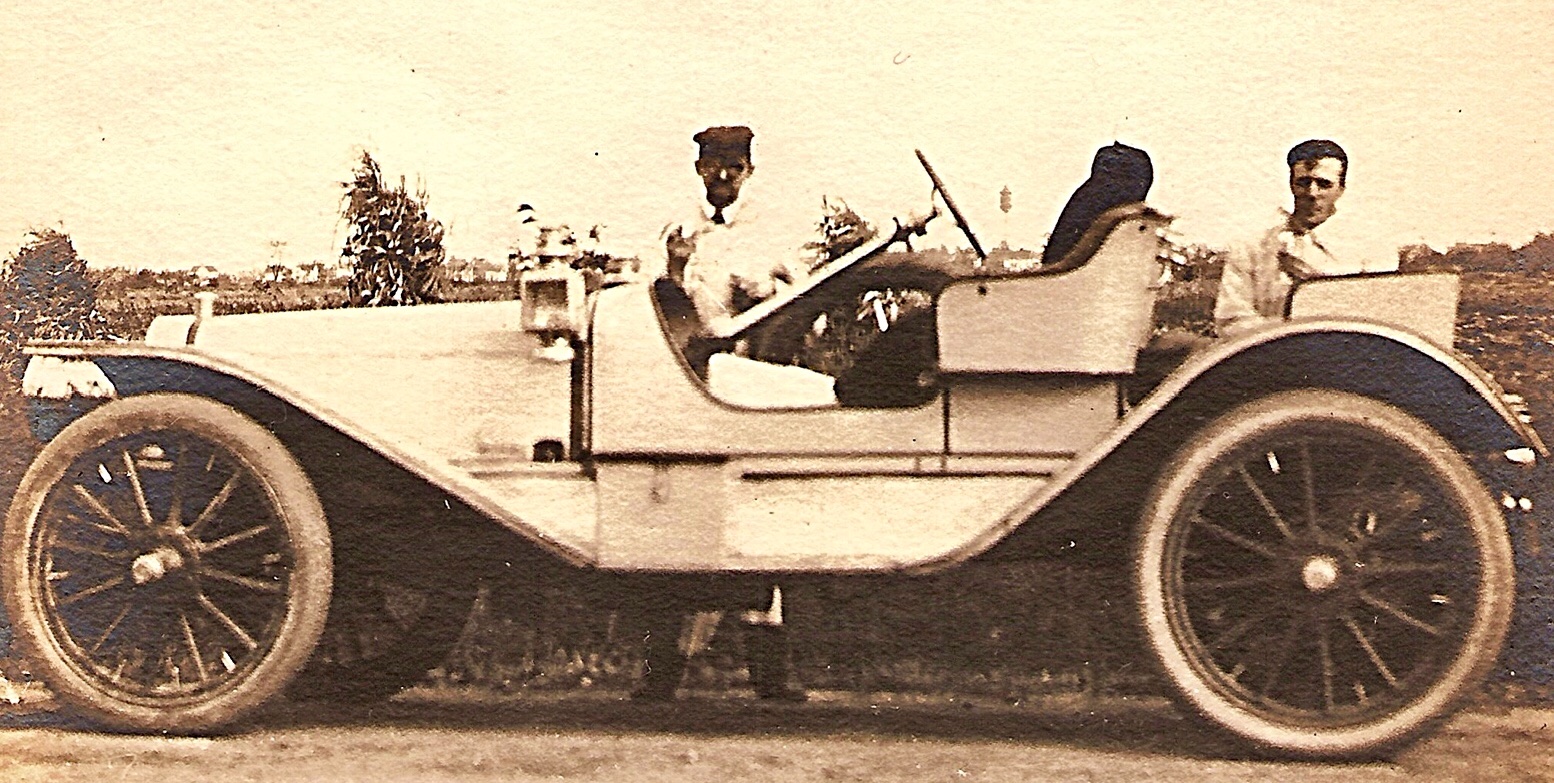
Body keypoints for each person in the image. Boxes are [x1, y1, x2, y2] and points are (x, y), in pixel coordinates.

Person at [632, 125, 809, 703]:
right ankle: (662, 674)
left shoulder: (769, 231)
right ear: (699, 169)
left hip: (747, 386)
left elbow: (802, 301)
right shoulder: (675, 230)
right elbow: (653, 303)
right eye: (713, 165)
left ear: (750, 171)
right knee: (685, 527)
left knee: (756, 526)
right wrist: (674, 266)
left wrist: (768, 301)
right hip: (682, 384)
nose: (724, 176)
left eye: (735, 166)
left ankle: (771, 676)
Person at [1213, 138, 1394, 336]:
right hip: (1272, 351)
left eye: (1324, 184)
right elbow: (1230, 321)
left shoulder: (1370, 248)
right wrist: (1288, 333)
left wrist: (1318, 287)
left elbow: (1380, 322)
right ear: (1291, 185)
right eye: (1303, 183)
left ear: (1341, 189)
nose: (1312, 193)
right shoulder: (1252, 247)